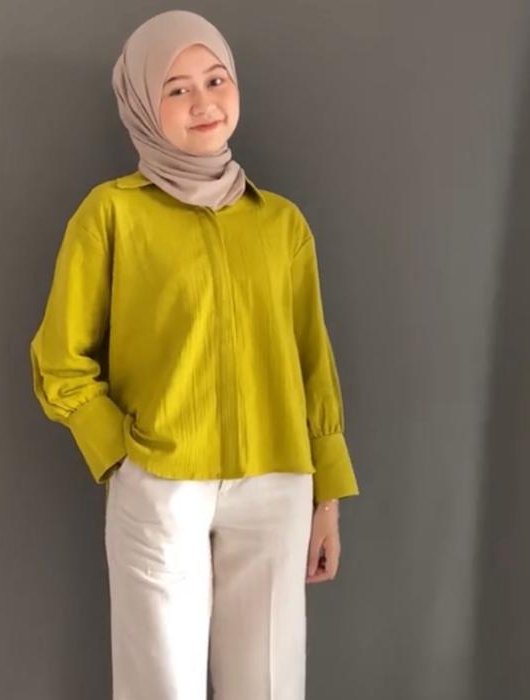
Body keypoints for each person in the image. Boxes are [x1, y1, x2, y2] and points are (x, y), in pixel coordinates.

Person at [29, 9, 360, 699]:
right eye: (176, 88)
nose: (203, 102)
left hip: (277, 481)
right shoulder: (112, 215)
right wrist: (124, 458)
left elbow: (311, 359)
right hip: (162, 482)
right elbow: (59, 359)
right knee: (161, 686)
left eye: (215, 79)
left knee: (269, 684)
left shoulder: (282, 224)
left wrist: (326, 494)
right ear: (142, 105)